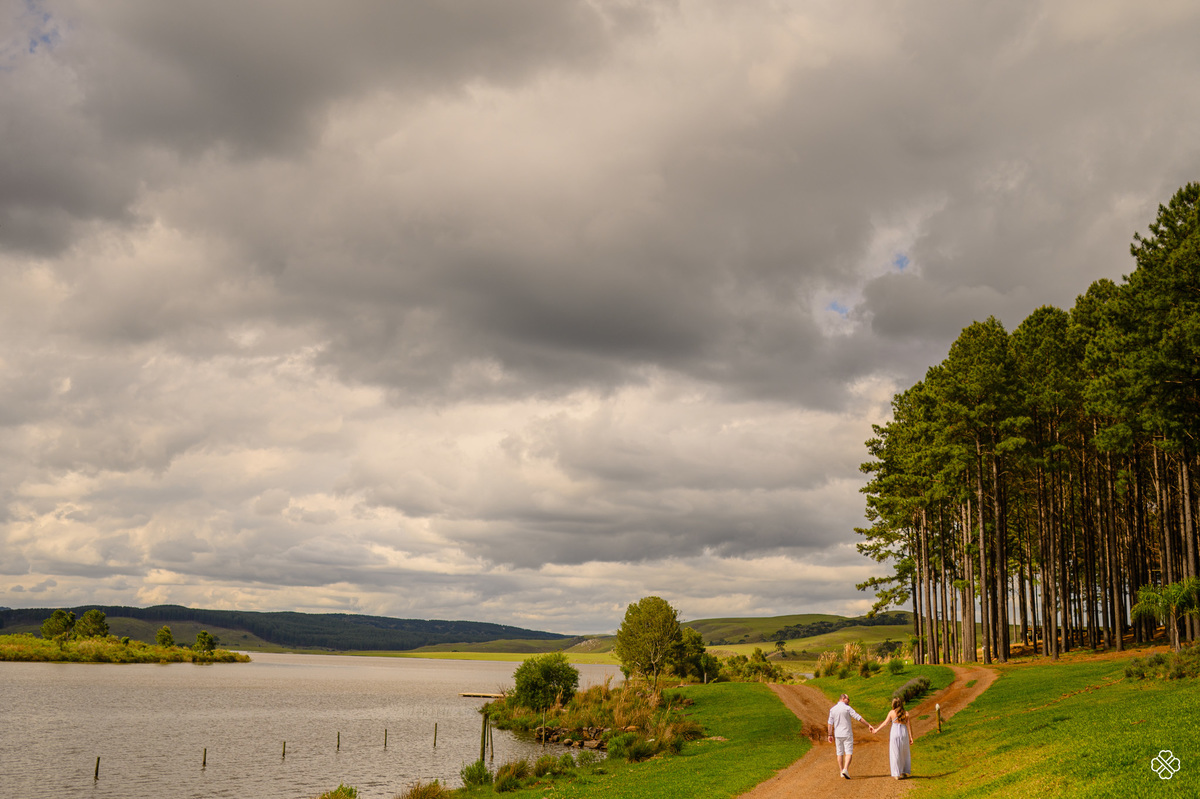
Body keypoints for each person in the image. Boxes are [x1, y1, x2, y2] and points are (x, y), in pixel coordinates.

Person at [826, 693, 873, 779]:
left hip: (838, 734)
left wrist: (829, 734)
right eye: (848, 699)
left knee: (839, 753)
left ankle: (841, 771)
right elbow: (858, 717)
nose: (849, 701)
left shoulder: (833, 709)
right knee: (848, 752)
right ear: (843, 698)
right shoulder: (847, 708)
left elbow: (830, 723)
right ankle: (845, 769)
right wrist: (868, 725)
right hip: (847, 733)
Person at [870, 697, 915, 779]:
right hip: (903, 732)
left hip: (895, 732)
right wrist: (911, 737)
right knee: (904, 752)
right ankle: (903, 771)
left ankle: (896, 773)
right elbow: (909, 726)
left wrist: (876, 730)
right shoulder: (906, 713)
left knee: (895, 753)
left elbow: (885, 723)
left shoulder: (891, 713)